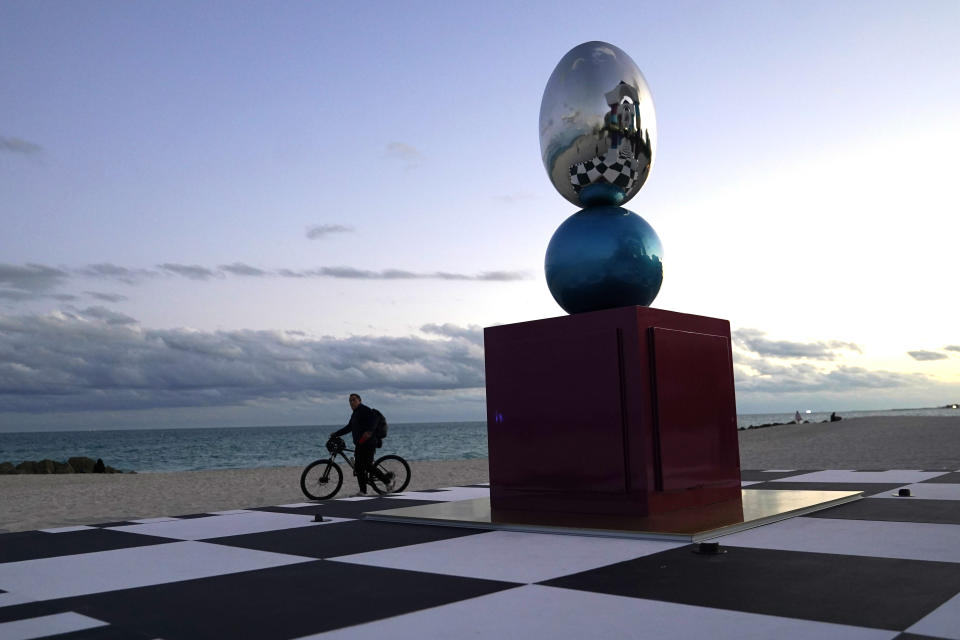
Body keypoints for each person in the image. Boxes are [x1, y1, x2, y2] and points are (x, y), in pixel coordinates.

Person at [330, 393, 391, 494]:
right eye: (350, 401)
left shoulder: (365, 410)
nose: (351, 402)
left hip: (369, 442)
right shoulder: (355, 413)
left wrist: (369, 432)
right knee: (359, 468)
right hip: (360, 443)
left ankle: (387, 481)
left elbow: (373, 421)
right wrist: (336, 434)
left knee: (367, 465)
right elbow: (349, 427)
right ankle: (363, 491)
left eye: (354, 400)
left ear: (360, 400)